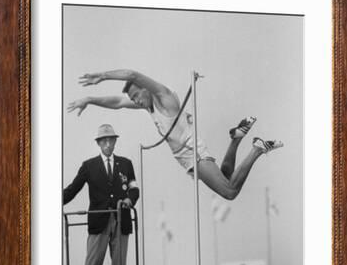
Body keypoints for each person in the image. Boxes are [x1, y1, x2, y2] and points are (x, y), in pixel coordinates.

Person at [68, 69, 283, 201]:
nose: (136, 101)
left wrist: (103, 76)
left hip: (193, 154)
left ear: (145, 89)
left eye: (136, 96)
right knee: (226, 175)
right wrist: (89, 99)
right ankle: (235, 138)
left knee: (229, 192)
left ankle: (257, 149)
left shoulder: (164, 98)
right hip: (191, 156)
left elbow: (133, 74)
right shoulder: (148, 106)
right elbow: (117, 103)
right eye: (133, 99)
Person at [63, 124, 139, 265]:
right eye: (103, 140)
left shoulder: (126, 164)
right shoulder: (89, 166)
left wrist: (129, 200)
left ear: (115, 141)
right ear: (99, 143)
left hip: (121, 221)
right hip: (99, 222)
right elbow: (72, 189)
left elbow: (134, 189)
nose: (107, 143)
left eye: (110, 140)